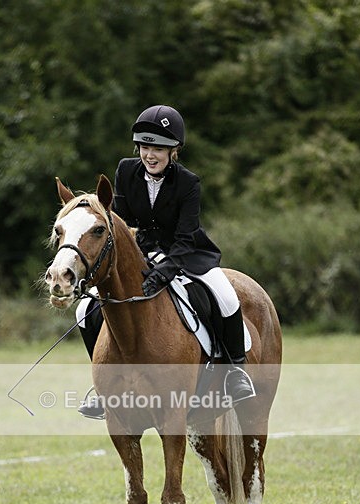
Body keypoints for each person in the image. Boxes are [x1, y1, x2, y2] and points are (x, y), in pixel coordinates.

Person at [76, 104, 255, 419]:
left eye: (158, 148)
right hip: (140, 253)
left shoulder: (188, 183)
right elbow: (122, 221)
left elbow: (186, 238)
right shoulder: (125, 170)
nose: (150, 154)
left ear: (174, 151)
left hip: (186, 254)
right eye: (145, 146)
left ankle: (234, 372)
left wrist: (164, 272)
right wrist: (143, 253)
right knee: (84, 308)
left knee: (225, 294)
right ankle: (104, 386)